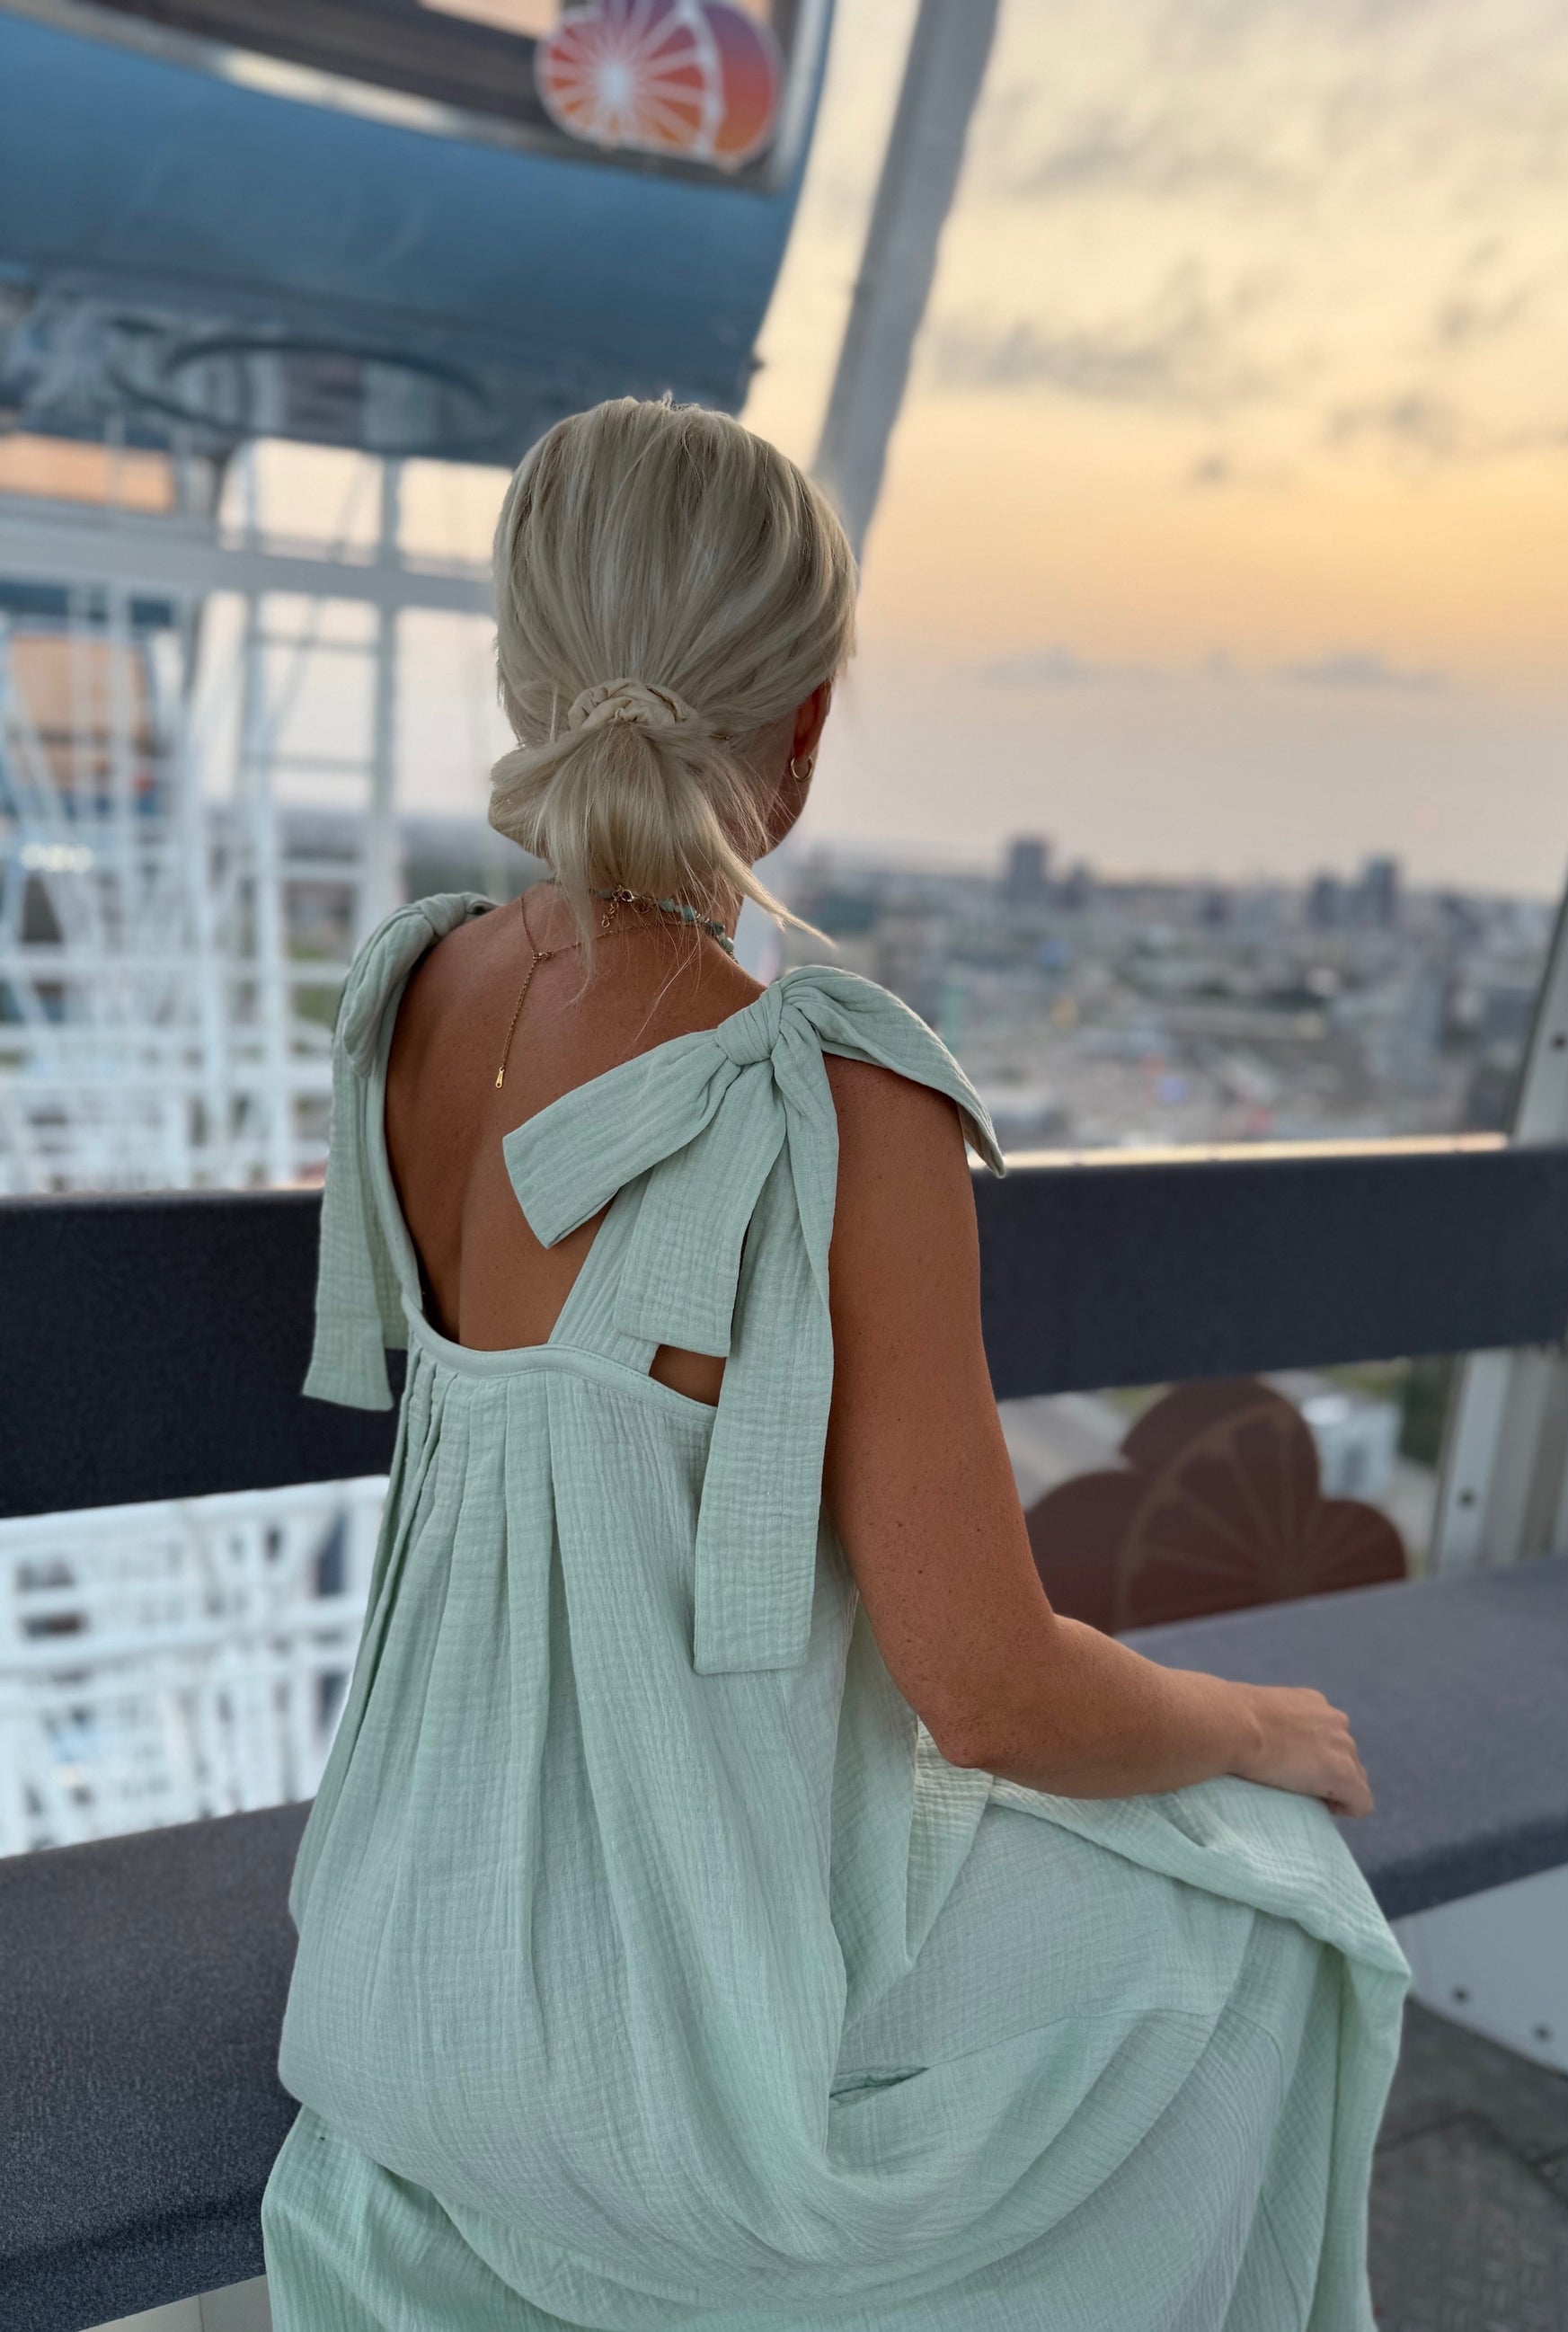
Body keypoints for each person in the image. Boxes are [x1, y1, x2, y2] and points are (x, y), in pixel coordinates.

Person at [263, 395, 1407, 2332]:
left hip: (406, 1937)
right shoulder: (828, 1097)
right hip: (675, 2042)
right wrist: (1246, 1726)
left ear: (523, 676)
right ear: (797, 735)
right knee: (1272, 1901)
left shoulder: (416, 991)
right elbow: (988, 1689)